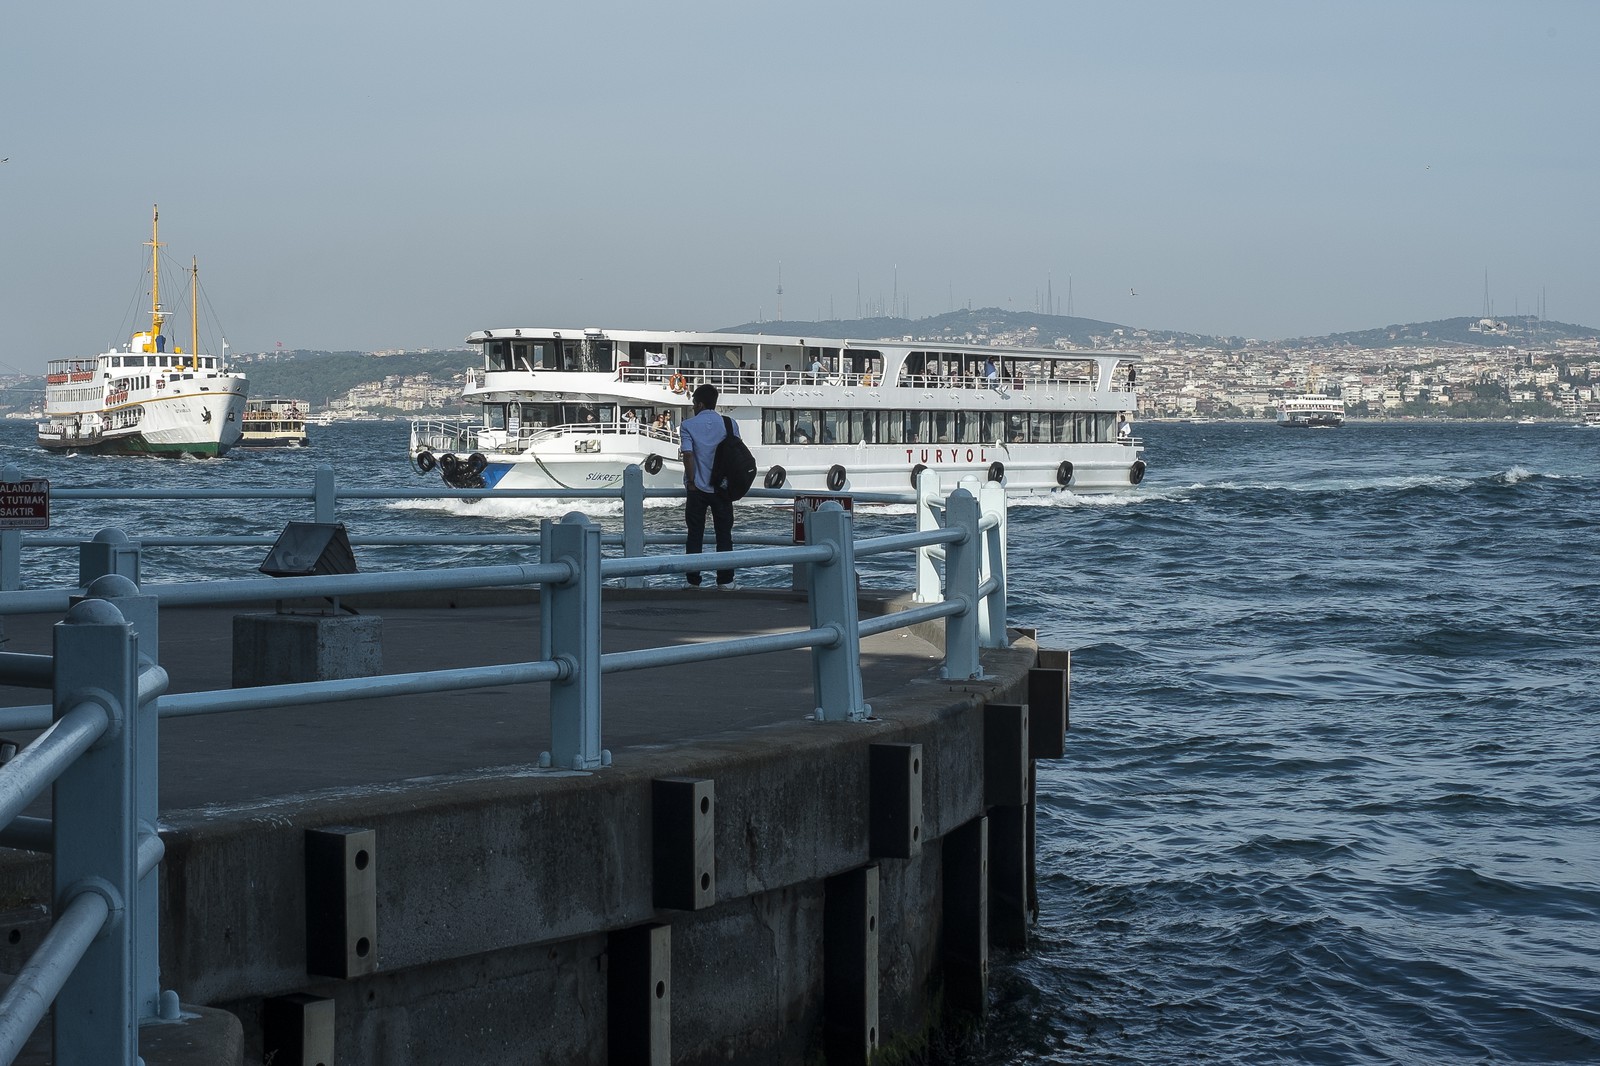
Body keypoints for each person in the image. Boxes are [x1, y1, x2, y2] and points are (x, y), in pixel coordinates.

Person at [678, 383, 738, 589]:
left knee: (695, 534)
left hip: (697, 489)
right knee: (724, 534)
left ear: (700, 404)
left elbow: (688, 454)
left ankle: (693, 582)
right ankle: (725, 581)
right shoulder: (730, 424)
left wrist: (692, 481)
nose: (693, 407)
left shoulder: (687, 425)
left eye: (694, 403)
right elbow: (735, 452)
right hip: (722, 488)